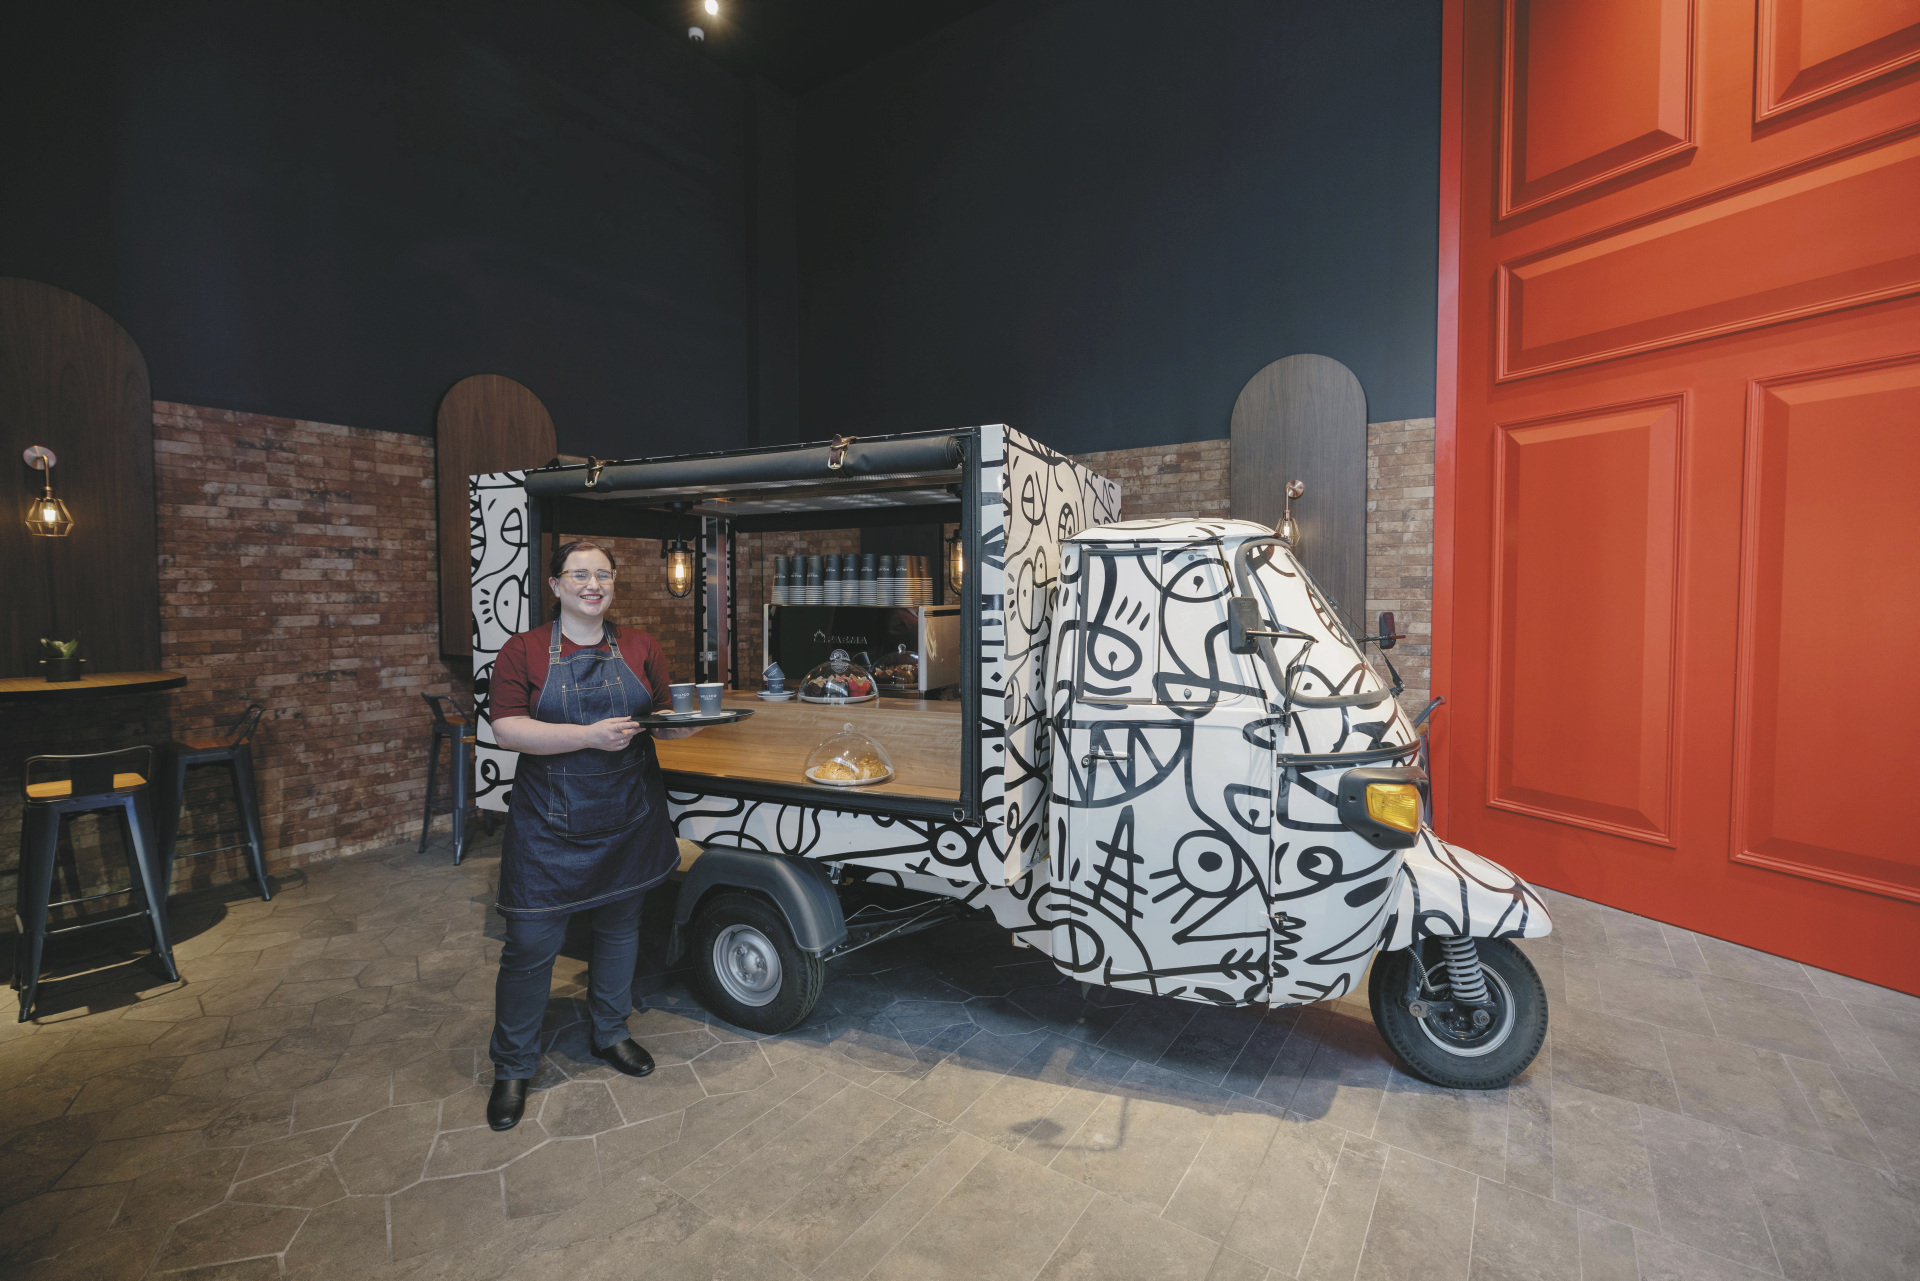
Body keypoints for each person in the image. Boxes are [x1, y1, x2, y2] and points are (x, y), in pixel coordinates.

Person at [482, 539, 700, 1130]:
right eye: (579, 575)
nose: (592, 585)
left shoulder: (641, 646)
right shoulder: (524, 650)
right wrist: (588, 736)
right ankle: (513, 1066)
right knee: (530, 945)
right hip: (548, 823)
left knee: (620, 928)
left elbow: (659, 719)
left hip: (628, 813)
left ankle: (609, 1031)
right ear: (555, 585)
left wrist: (687, 724)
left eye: (602, 575)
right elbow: (507, 730)